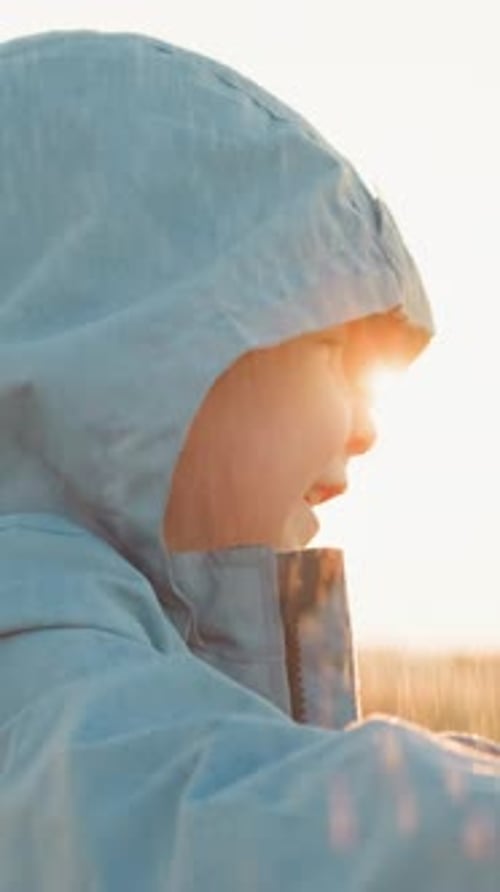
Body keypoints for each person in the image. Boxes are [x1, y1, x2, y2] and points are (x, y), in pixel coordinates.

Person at [0, 28, 498, 892]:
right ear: (138, 364)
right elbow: (210, 823)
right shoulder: (30, 666)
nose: (365, 429)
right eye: (330, 352)